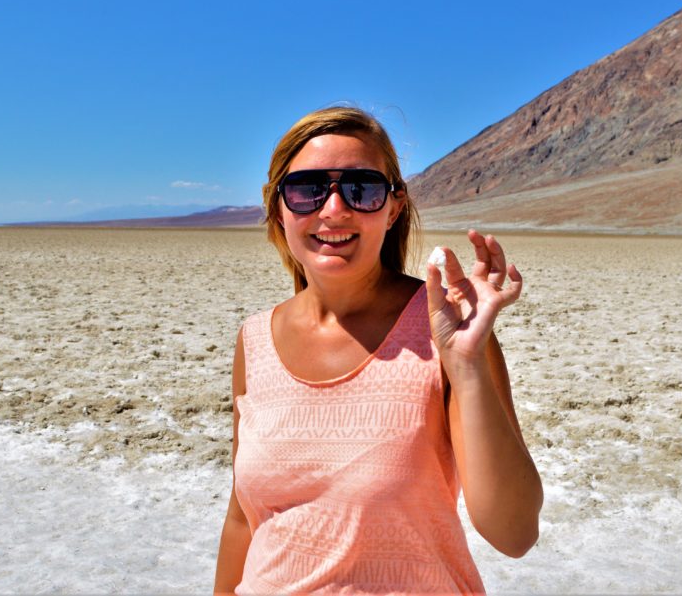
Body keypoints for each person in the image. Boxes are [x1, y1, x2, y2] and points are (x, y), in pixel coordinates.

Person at [214, 106, 543, 594]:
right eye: (306, 189)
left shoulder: (445, 333)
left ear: (393, 207)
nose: (333, 209)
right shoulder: (255, 338)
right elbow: (244, 518)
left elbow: (514, 534)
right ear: (277, 206)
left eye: (362, 189)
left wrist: (467, 365)